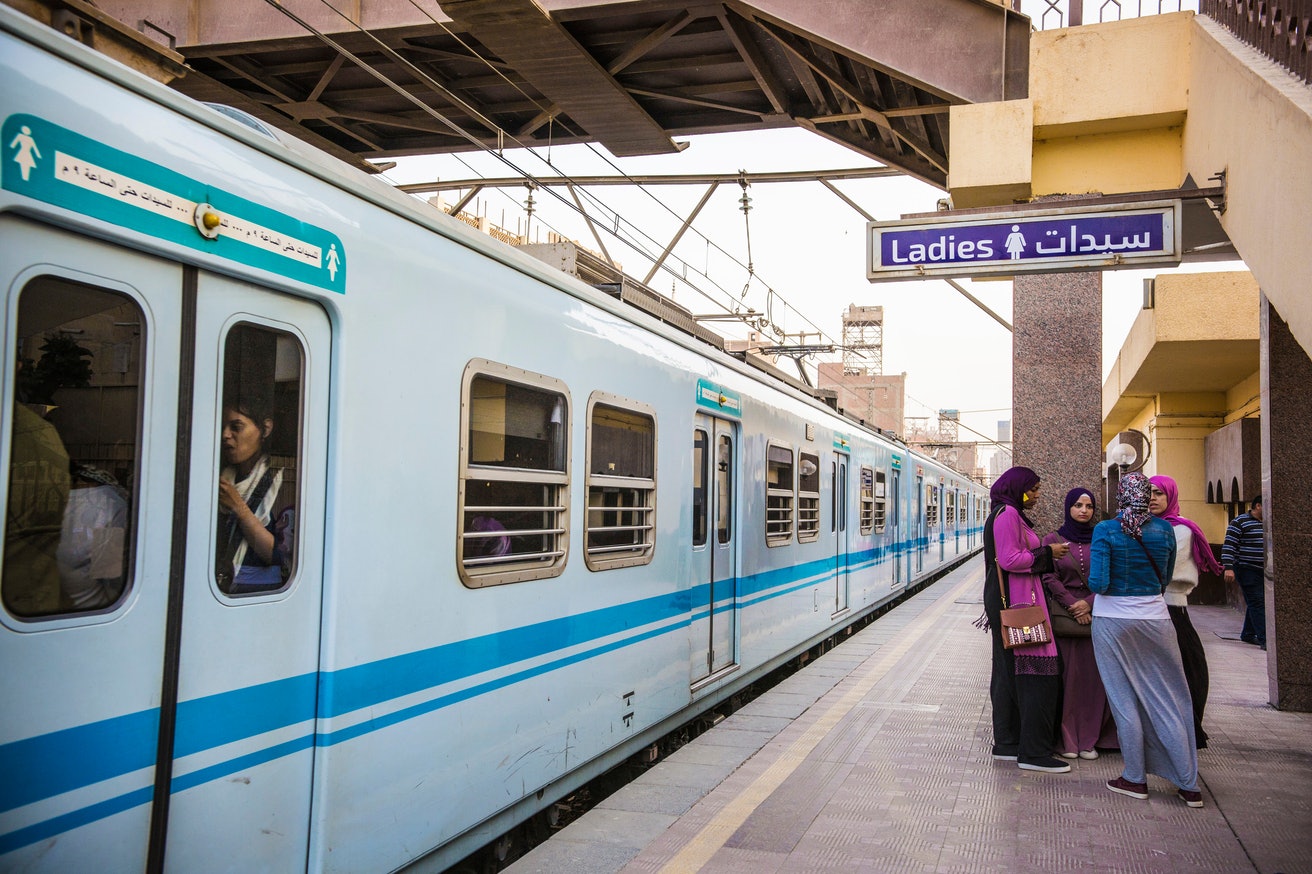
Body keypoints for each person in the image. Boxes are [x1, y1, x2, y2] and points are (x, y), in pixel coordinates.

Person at [1090, 473, 1202, 808]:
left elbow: (1098, 582)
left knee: (1125, 702)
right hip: (1156, 619)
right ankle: (1188, 784)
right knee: (1169, 699)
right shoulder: (1165, 530)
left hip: (1112, 622)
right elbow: (1164, 579)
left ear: (1121, 496)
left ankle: (1134, 778)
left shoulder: (1106, 530)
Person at [981, 466, 1071, 773]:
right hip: (1019, 605)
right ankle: (1032, 751)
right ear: (1017, 489)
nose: (1036, 495)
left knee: (1009, 672)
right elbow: (1009, 559)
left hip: (1017, 602)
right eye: (1032, 489)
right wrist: (1048, 553)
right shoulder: (1008, 514)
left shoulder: (1008, 512)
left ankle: (1008, 742)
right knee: (1035, 673)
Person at [1041, 488, 1117, 760]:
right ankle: (1067, 739)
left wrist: (1090, 603)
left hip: (1099, 619)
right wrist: (1073, 603)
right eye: (1077, 505)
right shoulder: (1054, 539)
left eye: (1089, 506)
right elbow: (1048, 576)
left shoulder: (1104, 537)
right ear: (1067, 508)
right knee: (1068, 682)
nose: (1084, 510)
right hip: (1065, 621)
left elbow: (1112, 573)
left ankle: (1089, 739)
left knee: (1095, 684)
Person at [1149, 475, 1223, 748]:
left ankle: (1186, 731)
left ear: (1171, 497)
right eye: (1149, 493)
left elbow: (1163, 569)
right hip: (1152, 608)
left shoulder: (1180, 530)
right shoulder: (1147, 527)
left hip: (1173, 607)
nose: (1152, 498)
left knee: (1188, 672)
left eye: (1159, 493)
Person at [216, 395, 291, 593]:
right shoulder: (222, 477)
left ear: (265, 429)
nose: (225, 435)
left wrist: (238, 507)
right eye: (222, 426)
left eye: (236, 427)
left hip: (260, 593)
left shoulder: (282, 481)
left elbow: (278, 555)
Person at [1221, 495, 1266, 649]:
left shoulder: (1269, 523)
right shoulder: (1240, 522)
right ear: (1258, 506)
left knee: (1257, 602)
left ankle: (1247, 633)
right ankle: (1265, 639)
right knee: (1258, 602)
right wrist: (1228, 567)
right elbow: (1229, 545)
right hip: (1246, 568)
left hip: (1264, 570)